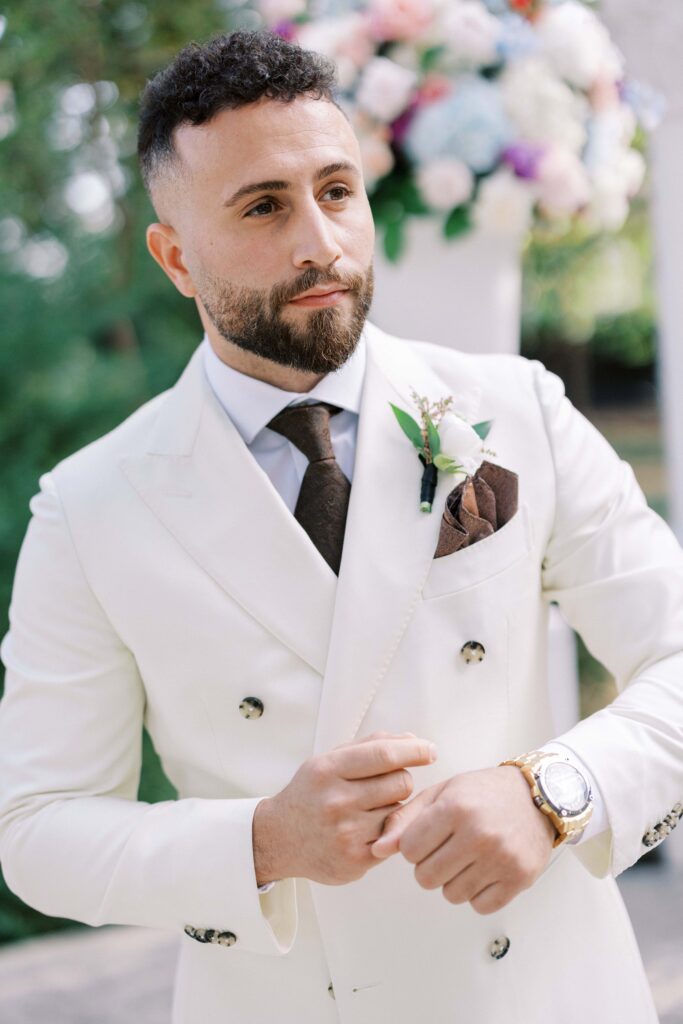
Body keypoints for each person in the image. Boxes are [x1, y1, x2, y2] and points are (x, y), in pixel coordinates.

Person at [0, 28, 681, 1024]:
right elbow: (38, 829)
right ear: (175, 254)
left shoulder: (516, 409)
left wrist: (553, 791)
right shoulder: (88, 507)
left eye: (335, 190)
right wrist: (264, 840)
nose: (318, 241)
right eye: (263, 206)